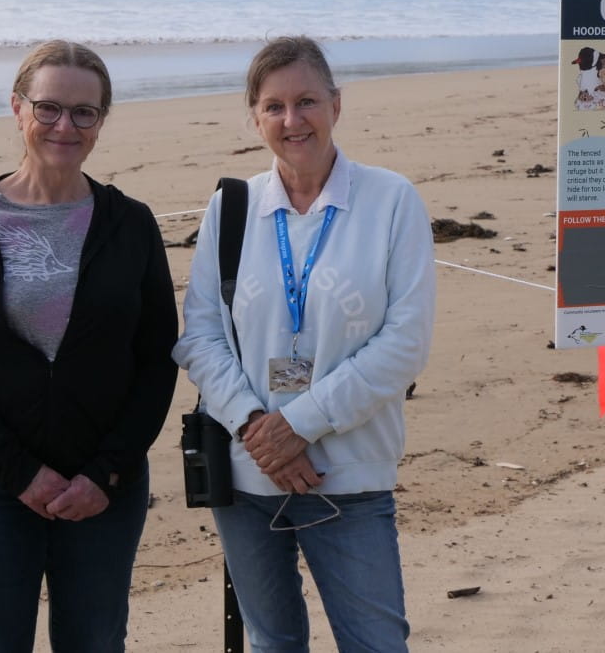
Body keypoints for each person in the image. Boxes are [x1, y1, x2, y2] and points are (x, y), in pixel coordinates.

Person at [0, 39, 180, 651]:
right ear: (17, 107)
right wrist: (19, 473)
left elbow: (157, 359)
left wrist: (105, 472)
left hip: (103, 488)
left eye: (84, 111)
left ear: (101, 121)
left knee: (93, 640)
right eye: (50, 107)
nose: (66, 125)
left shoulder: (131, 222)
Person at [173, 35, 435, 651]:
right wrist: (260, 428)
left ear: (337, 105)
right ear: (256, 117)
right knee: (272, 643)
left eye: (307, 101)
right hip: (245, 474)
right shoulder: (231, 207)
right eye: (274, 106)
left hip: (347, 476)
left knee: (376, 641)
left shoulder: (391, 200)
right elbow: (202, 335)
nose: (292, 120)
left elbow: (406, 344)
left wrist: (301, 424)